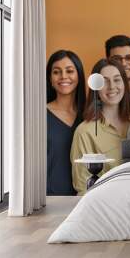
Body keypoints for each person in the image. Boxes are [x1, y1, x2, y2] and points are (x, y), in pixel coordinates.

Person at [71, 59, 130, 195]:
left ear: (124, 84)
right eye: (104, 81)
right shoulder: (85, 132)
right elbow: (83, 187)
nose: (111, 86)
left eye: (117, 80)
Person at [47, 50, 86, 195]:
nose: (63, 76)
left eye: (69, 71)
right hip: (48, 200)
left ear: (79, 76)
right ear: (50, 78)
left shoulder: (88, 115)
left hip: (84, 199)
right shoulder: (38, 117)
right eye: (56, 72)